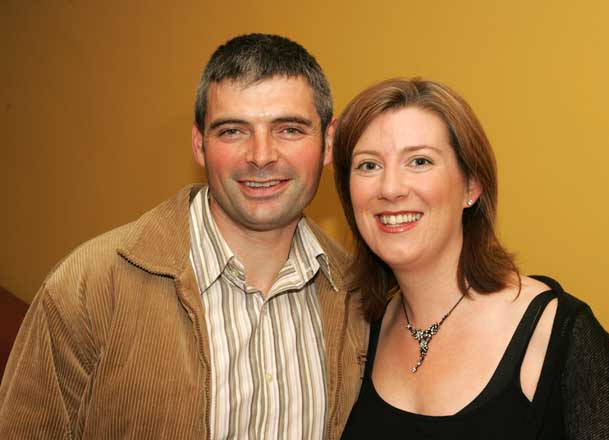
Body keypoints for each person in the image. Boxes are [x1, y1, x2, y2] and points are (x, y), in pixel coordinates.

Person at [0, 34, 368, 440]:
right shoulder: (87, 288)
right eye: (232, 131)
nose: (261, 156)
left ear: (328, 142)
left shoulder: (359, 297)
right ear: (199, 145)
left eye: (290, 129)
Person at [332, 78, 609, 438]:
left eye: (419, 161)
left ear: (471, 186)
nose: (390, 189)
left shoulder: (558, 336)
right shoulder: (359, 332)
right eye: (368, 166)